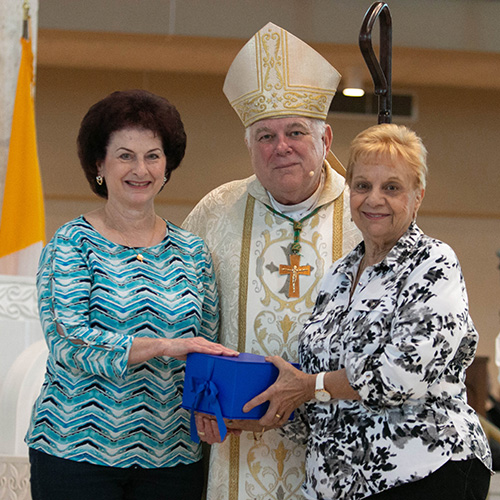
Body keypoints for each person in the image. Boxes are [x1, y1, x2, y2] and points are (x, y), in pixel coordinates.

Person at [243, 123, 492, 499]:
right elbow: (316, 396)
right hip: (340, 483)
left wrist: (310, 387)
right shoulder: (339, 276)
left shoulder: (432, 263)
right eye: (362, 186)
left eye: (391, 187)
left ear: (417, 196)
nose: (374, 199)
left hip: (421, 473)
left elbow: (400, 376)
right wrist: (256, 411)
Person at [25, 89, 237, 500]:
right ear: (99, 164)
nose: (140, 169)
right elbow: (69, 341)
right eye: (125, 155)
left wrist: (213, 402)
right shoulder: (72, 243)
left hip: (173, 456)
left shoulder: (193, 252)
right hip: (77, 453)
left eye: (152, 156)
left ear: (167, 166)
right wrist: (162, 346)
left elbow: (205, 346)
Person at [182, 22, 360, 500]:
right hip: (236, 444)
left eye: (295, 131)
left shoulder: (365, 215)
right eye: (265, 135)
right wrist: (200, 395)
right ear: (249, 147)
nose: (280, 146)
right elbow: (183, 318)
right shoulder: (216, 211)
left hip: (341, 444)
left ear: (325, 141)